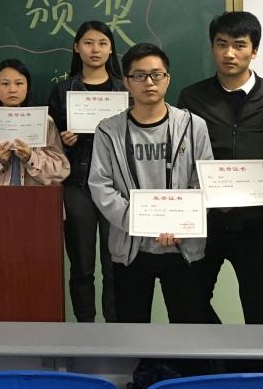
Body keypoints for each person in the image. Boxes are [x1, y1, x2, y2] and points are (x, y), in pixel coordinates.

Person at [177, 11, 263, 324]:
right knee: (190, 304)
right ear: (212, 47)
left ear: (254, 50)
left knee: (260, 310)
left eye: (239, 45)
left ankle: (254, 358)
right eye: (221, 44)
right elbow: (182, 157)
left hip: (257, 225)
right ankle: (217, 355)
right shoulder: (192, 97)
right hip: (205, 222)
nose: (229, 53)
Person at [88, 42, 212, 324]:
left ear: (168, 78)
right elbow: (101, 186)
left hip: (183, 247)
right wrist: (138, 221)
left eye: (157, 74)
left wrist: (181, 224)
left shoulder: (194, 126)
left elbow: (203, 182)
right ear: (126, 82)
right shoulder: (108, 130)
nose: (149, 82)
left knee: (188, 327)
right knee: (133, 329)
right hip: (131, 248)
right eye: (139, 75)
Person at [48, 21, 126, 322]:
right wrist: (64, 141)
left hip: (117, 185)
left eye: (102, 43)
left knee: (114, 265)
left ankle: (114, 332)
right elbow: (48, 145)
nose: (95, 49)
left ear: (111, 48)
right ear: (76, 47)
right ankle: (85, 330)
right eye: (89, 42)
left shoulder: (124, 89)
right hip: (77, 184)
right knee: (81, 267)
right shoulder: (63, 90)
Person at [0, 58, 69, 186]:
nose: (12, 89)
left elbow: (61, 170)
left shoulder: (45, 122)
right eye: (5, 84)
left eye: (19, 83)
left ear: (27, 87)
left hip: (36, 196)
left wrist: (31, 158)